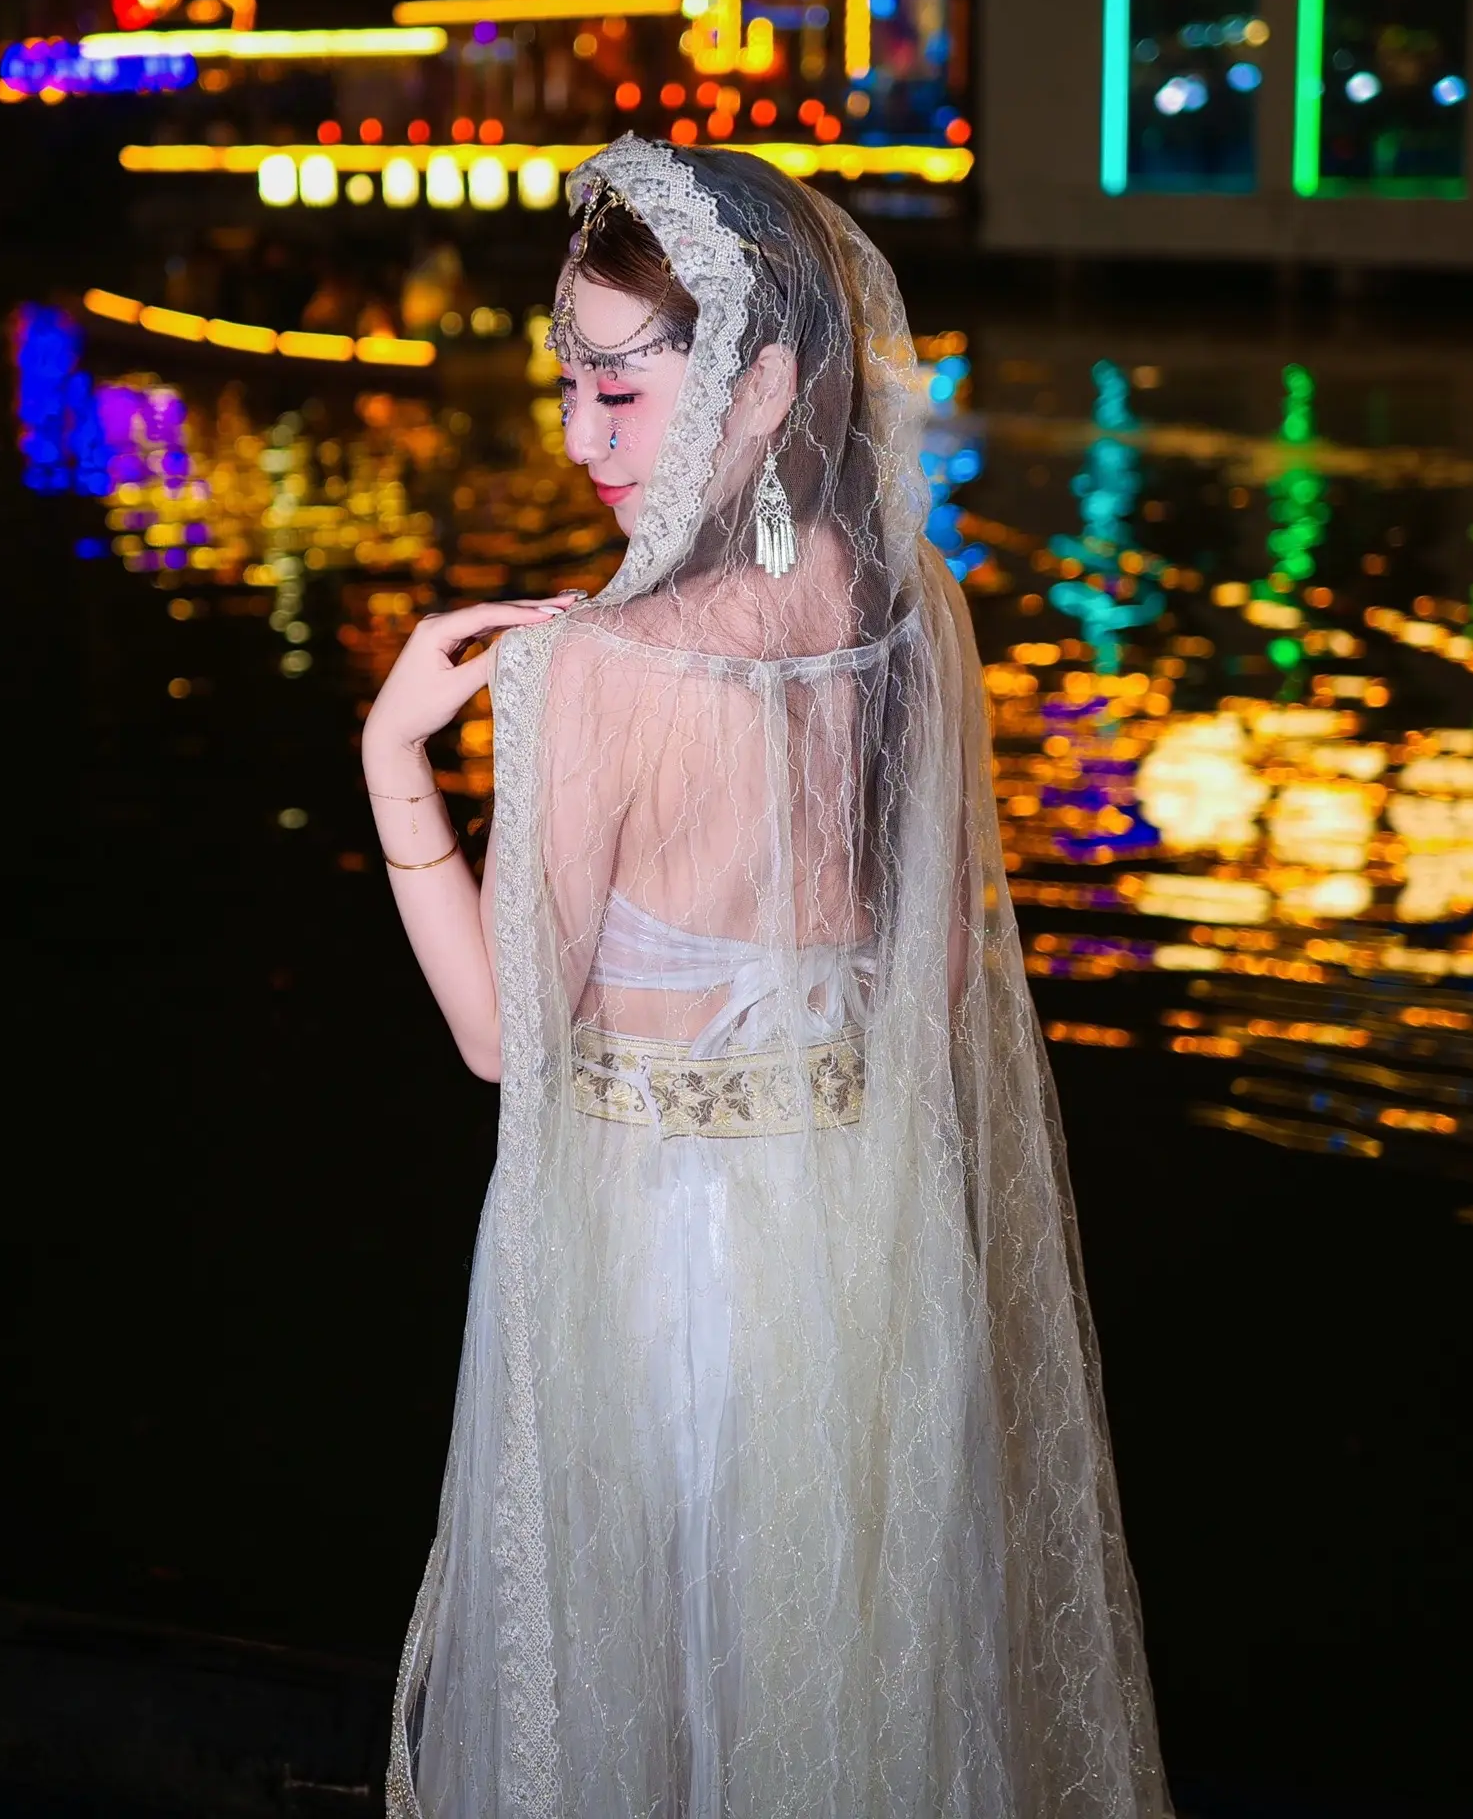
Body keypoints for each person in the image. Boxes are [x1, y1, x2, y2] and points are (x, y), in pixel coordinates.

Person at [360, 136, 1166, 1818]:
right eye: (567, 381)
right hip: (862, 1248)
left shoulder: (599, 667)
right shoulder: (907, 604)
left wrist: (391, 763)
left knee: (658, 1704)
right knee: (839, 1704)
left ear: (765, 382)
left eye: (619, 388)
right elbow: (930, 984)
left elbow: (502, 1036)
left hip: (662, 1268)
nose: (579, 436)